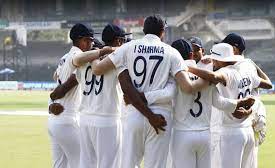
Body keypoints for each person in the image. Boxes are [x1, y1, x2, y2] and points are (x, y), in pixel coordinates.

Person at [90, 14, 209, 168]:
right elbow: (187, 87)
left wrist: (94, 54)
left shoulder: (128, 47)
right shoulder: (171, 52)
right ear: (162, 31)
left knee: (128, 164)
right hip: (161, 117)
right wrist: (209, 78)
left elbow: (98, 69)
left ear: (143, 30)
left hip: (133, 114)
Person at [170, 39, 255, 168]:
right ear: (191, 55)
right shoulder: (206, 76)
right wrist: (238, 103)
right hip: (205, 136)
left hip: (182, 133)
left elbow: (165, 98)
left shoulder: (174, 76)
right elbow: (219, 103)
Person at [188, 42, 272, 168]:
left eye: (215, 59)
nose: (213, 63)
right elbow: (268, 84)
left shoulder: (226, 72)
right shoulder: (247, 71)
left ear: (219, 59)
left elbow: (213, 77)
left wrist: (187, 68)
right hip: (248, 131)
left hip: (230, 133)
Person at [71, 23, 129, 168]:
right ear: (118, 41)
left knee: (86, 164)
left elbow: (77, 68)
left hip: (85, 119)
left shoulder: (87, 59)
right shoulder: (117, 58)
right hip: (107, 119)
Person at [47, 23, 95, 168]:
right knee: (84, 163)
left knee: (60, 165)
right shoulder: (78, 57)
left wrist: (51, 102)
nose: (91, 44)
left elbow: (56, 78)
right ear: (78, 40)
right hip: (68, 119)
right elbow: (67, 85)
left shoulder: (65, 57)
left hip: (55, 121)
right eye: (88, 40)